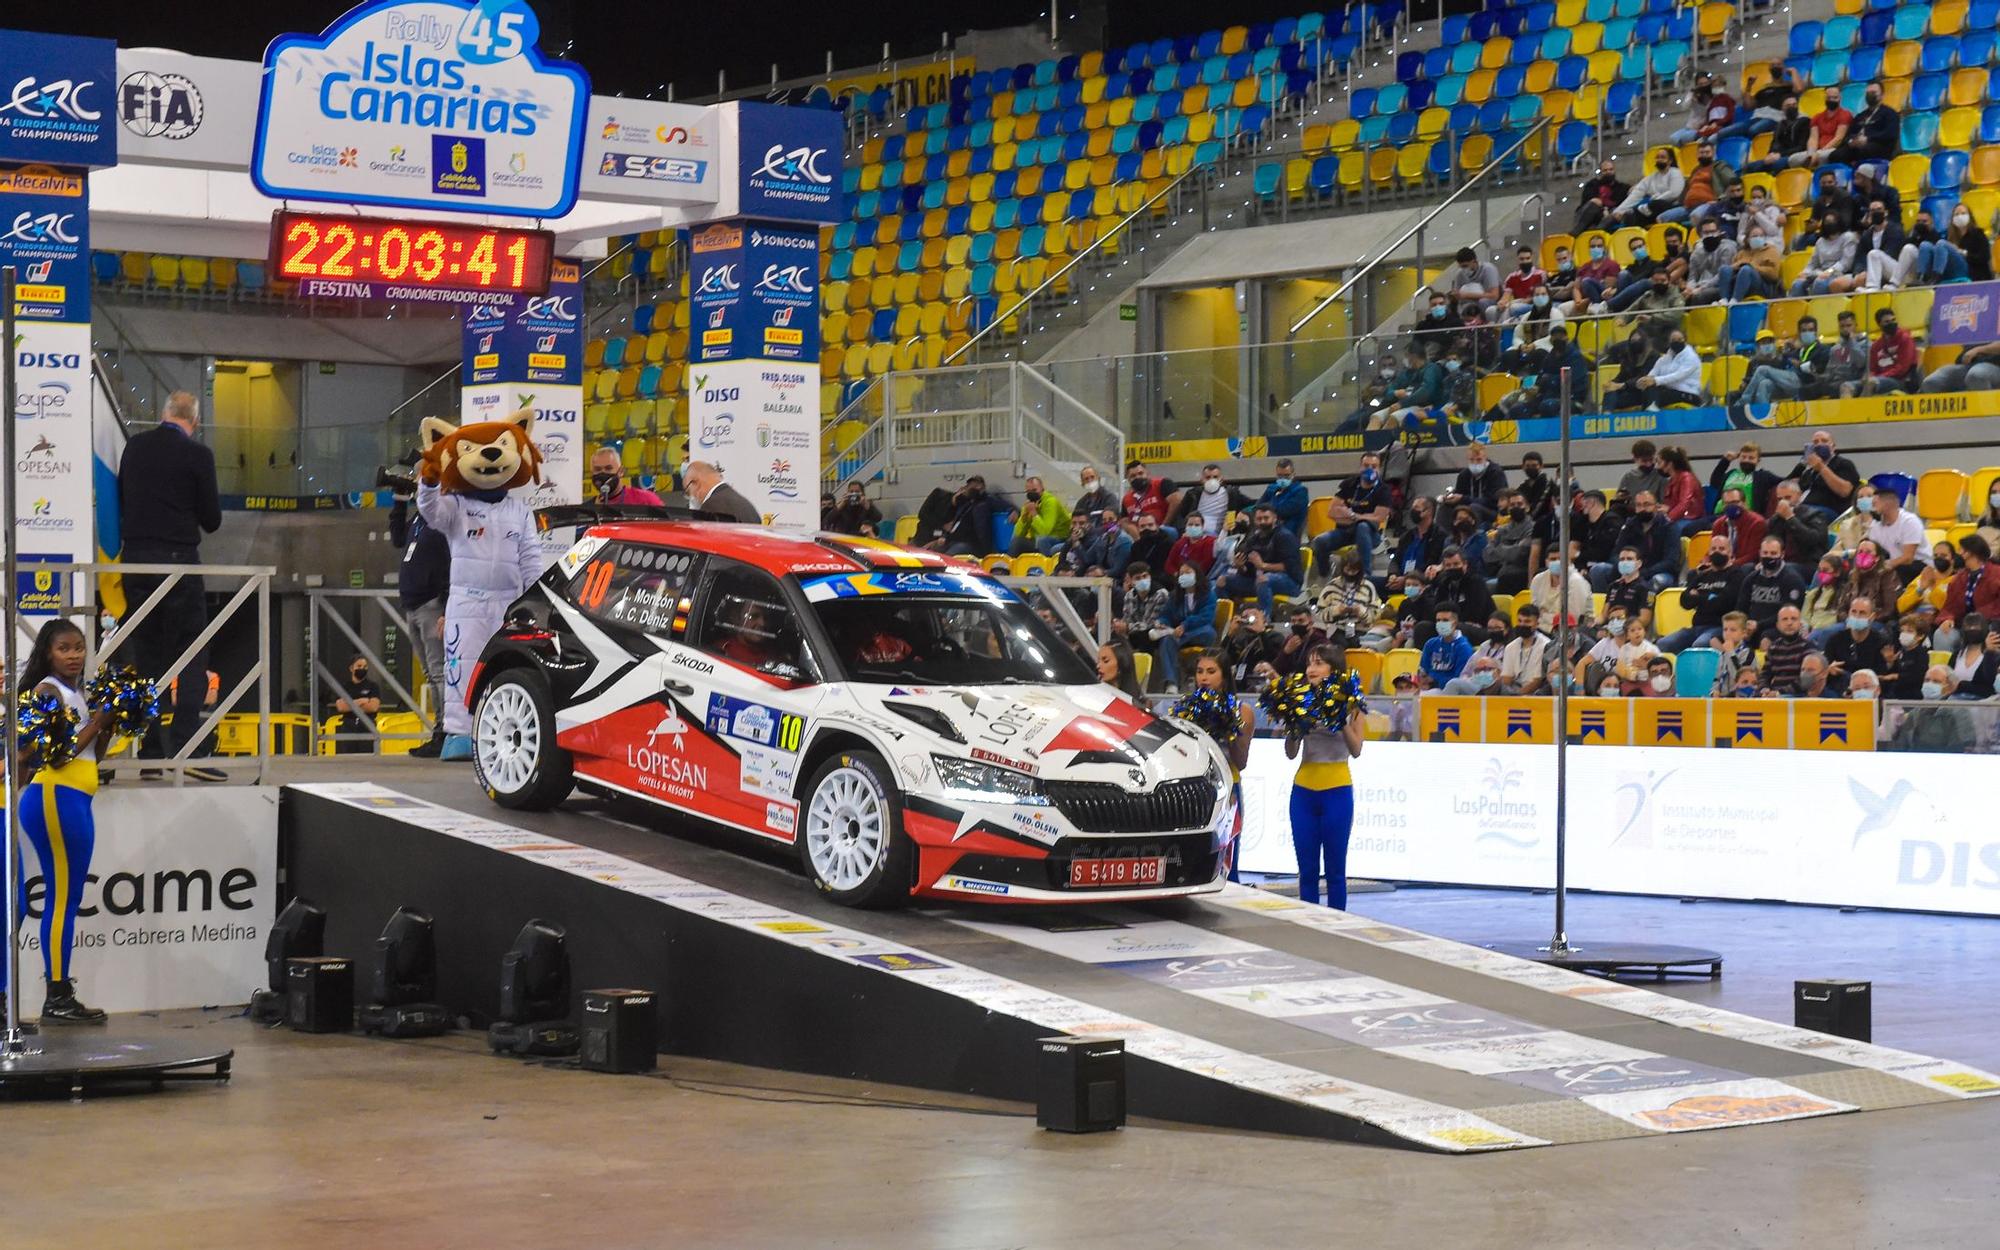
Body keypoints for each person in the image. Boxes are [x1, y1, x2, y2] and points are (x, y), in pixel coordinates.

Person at [116, 390, 226, 781]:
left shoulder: (135, 447)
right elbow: (211, 520)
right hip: (178, 564)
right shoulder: (199, 455)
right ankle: (187, 747)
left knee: (146, 655)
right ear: (194, 422)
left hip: (136, 561)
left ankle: (149, 749)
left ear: (163, 413)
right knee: (192, 653)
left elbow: (123, 501)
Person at [14, 620, 116, 1023]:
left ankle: (58, 993)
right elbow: (58, 755)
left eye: (79, 648)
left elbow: (94, 755)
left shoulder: (78, 694)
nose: (74, 655)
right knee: (61, 901)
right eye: (64, 649)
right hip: (55, 797)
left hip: (74, 798)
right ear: (47, 653)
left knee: (66, 898)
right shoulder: (46, 692)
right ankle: (56, 996)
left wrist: (111, 720)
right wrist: (98, 722)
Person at [1284, 643, 1367, 909]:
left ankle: (1338, 926)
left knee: (1335, 871)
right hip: (1304, 791)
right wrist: (1294, 725)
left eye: (1319, 663)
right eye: (1310, 663)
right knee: (1307, 871)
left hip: (1337, 791)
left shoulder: (1353, 703)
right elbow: (1290, 752)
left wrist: (1340, 718)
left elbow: (1356, 750)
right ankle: (1309, 926)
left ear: (1334, 669)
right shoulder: (1300, 702)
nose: (1311, 668)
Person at [388, 476, 452, 756]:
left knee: (439, 672)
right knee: (430, 672)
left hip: (431, 604)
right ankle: (440, 730)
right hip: (413, 604)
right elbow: (398, 539)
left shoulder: (443, 521)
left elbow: (453, 564)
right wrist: (399, 502)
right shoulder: (420, 518)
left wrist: (447, 608)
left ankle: (446, 733)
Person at [1312, 451, 1396, 577]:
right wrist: (1362, 517)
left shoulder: (1383, 490)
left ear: (1379, 469)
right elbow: (1332, 512)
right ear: (1360, 467)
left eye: (1374, 467)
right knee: (1320, 541)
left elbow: (1379, 517)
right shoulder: (1349, 484)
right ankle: (1326, 575)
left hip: (1370, 534)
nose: (1370, 469)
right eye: (1366, 465)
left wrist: (1352, 515)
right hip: (1345, 532)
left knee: (1363, 526)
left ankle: (1365, 576)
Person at [1660, 533, 1743, 652]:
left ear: (1730, 553)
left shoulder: (1736, 574)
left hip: (1719, 628)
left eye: (1722, 549)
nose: (1717, 552)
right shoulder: (1702, 575)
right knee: (1664, 644)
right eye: (1713, 549)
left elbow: (1724, 603)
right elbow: (1684, 601)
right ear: (1709, 552)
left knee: (1699, 645)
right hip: (1696, 627)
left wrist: (1698, 597)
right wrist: (1710, 597)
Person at [1221, 504, 1304, 617]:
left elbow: (1290, 566)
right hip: (1257, 581)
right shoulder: (1253, 539)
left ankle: (1263, 623)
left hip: (1289, 582)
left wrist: (1263, 566)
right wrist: (1240, 566)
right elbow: (1248, 570)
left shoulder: (1285, 536)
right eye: (1259, 519)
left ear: (1274, 518)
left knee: (1263, 579)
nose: (1263, 522)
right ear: (1254, 520)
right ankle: (1229, 621)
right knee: (1223, 580)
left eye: (1266, 518)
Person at [1151, 565, 1219, 692]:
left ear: (1197, 574)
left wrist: (1185, 626)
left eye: (1188, 572)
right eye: (1181, 573)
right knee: (1166, 641)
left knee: (1209, 632)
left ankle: (1178, 636)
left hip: (1199, 632)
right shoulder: (1175, 596)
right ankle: (1172, 683)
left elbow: (1206, 617)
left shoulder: (1208, 594)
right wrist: (1162, 622)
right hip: (1179, 634)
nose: (1184, 576)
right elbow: (1166, 615)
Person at [1888, 667, 1980, 752]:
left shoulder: (1959, 713)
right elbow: (1901, 745)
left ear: (1950, 687)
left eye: (1936, 682)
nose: (1929, 684)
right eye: (1927, 680)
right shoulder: (1915, 713)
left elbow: (1959, 748)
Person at [1608, 329, 1703, 410]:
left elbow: (1677, 376)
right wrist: (1644, 381)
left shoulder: (1692, 358)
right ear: (1669, 342)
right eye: (1673, 340)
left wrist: (1655, 380)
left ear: (1685, 340)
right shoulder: (1665, 358)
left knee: (1653, 390)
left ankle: (1652, 413)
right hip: (1668, 391)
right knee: (1645, 390)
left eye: (1679, 339)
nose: (1676, 342)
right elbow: (1652, 373)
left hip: (1688, 393)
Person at [1783, 430, 1861, 523]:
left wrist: (1821, 468)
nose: (1819, 445)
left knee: (1800, 513)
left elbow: (1844, 491)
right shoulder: (1808, 470)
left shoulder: (1843, 464)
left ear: (1833, 446)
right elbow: (1785, 483)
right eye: (1815, 442)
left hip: (1829, 511)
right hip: (1803, 508)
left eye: (1824, 441)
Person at [1738, 537, 1807, 636]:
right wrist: (1744, 625)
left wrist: (1759, 625)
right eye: (1765, 553)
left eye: (1773, 553)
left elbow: (1789, 614)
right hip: (1751, 627)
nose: (1768, 556)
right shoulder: (1751, 578)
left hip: (1778, 627)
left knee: (1766, 638)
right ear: (1760, 554)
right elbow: (1741, 608)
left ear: (1782, 554)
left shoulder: (1792, 579)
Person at [1848, 306, 1920, 397]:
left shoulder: (1905, 340)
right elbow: (1873, 368)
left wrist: (1878, 377)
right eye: (1887, 322)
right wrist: (1868, 375)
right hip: (1879, 379)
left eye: (1893, 320)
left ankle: (1862, 410)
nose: (1892, 323)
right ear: (1879, 324)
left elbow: (1902, 369)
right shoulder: (1876, 345)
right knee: (1847, 387)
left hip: (1899, 380)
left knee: (1870, 383)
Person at [1168, 463, 1253, 540]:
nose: (1212, 480)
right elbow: (1182, 514)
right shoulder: (1192, 494)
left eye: (1215, 477)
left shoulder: (1232, 494)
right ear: (1202, 480)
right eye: (1208, 477)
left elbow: (1252, 504)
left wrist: (1243, 514)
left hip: (1220, 537)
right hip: (1194, 534)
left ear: (1221, 479)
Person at [1659, 141, 1733, 227]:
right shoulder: (1695, 170)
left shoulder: (1719, 166)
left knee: (1695, 216)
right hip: (1687, 207)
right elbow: (1686, 189)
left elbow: (1732, 182)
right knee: (1661, 218)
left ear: (1713, 153)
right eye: (1701, 153)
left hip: (1708, 205)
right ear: (1697, 155)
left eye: (1707, 152)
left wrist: (1720, 200)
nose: (1704, 155)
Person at [1828, 81, 1900, 167]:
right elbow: (1849, 134)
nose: (1870, 95)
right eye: (1868, 93)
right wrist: (1851, 141)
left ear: (1882, 95)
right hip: (1857, 146)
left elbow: (1890, 134)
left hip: (1879, 146)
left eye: (1873, 93)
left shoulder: (1890, 113)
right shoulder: (1860, 116)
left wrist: (1868, 139)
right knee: (1835, 155)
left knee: (1863, 151)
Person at [1612, 149, 1687, 228]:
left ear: (1670, 160)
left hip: (1671, 207)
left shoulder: (1675, 172)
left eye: (1663, 157)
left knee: (1655, 204)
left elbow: (1674, 193)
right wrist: (1619, 211)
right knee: (1631, 214)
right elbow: (1636, 194)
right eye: (1657, 157)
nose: (1659, 160)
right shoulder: (1651, 177)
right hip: (1650, 210)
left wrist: (1654, 200)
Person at [1765, 480, 1830, 571]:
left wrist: (1790, 518)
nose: (1784, 502)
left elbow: (1813, 540)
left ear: (1799, 495)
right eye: (1780, 499)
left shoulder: (1815, 514)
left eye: (1788, 498)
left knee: (1784, 569)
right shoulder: (1777, 519)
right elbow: (1771, 541)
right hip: (1782, 561)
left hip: (1809, 563)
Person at [1791, 212, 1858, 296]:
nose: (1830, 224)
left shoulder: (1848, 237)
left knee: (1820, 283)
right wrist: (1805, 273)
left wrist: (1829, 272)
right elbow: (1813, 263)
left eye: (1832, 221)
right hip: (1820, 273)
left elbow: (1845, 263)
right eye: (1827, 222)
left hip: (1840, 274)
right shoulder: (1820, 241)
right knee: (1798, 284)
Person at [1942, 535, 2000, 631]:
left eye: (1961, 549)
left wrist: (1979, 615)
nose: (1959, 553)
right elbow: (1949, 607)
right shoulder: (1958, 579)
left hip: (1990, 622)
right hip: (1963, 624)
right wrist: (1948, 618)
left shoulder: (1997, 573)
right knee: (1942, 634)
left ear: (1972, 552)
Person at [1742, 95, 1812, 173]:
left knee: (1776, 164)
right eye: (1788, 105)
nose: (1792, 107)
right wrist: (1771, 155)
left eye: (1794, 105)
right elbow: (1775, 142)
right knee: (1748, 167)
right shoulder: (1780, 124)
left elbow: (1801, 146)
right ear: (1783, 109)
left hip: (1795, 155)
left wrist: (1780, 155)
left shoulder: (1804, 121)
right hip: (1778, 155)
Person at [1866, 487, 1926, 577]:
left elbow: (1908, 558)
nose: (1872, 508)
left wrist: (1886, 566)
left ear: (1887, 504)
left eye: (1875, 504)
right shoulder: (1875, 525)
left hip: (1916, 566)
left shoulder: (1910, 521)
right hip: (1893, 565)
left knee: (1899, 570)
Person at [1441, 442, 1506, 524]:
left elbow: (1493, 501)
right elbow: (1460, 496)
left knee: (1474, 508)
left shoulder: (1496, 473)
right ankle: (1446, 535)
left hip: (1492, 512)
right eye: (1471, 460)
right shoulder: (1464, 475)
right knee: (1445, 507)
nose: (1475, 463)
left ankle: (1475, 535)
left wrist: (1463, 498)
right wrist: (1450, 499)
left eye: (1479, 460)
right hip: (1467, 509)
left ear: (1485, 458)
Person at [1007, 476, 1072, 556]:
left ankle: (1048, 566)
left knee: (1042, 541)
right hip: (1038, 540)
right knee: (1016, 542)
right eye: (1028, 492)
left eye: (1034, 490)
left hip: (1059, 538)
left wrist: (1034, 514)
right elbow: (1017, 534)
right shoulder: (1029, 504)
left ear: (1042, 489)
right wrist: (1024, 517)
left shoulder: (1050, 502)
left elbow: (1045, 532)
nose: (1032, 494)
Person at [1221, 606, 1283, 691]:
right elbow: (1223, 659)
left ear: (1262, 616)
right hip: (1240, 685)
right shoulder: (1241, 639)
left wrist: (1261, 632)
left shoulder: (1274, 636)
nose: (1250, 620)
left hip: (1263, 684)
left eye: (1254, 615)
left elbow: (1272, 658)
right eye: (1246, 617)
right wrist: (1230, 635)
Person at [1498, 604, 1555, 695]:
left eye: (1527, 621)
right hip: (1512, 692)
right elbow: (1506, 679)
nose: (1522, 625)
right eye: (1519, 621)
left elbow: (1538, 681)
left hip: (1536, 693)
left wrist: (1518, 697)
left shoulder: (1546, 645)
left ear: (1537, 624)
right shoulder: (1511, 647)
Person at [1485, 491, 1535, 593]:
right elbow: (1487, 555)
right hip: (1501, 571)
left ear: (1527, 507)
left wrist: (1498, 547)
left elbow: (1519, 554)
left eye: (1519, 504)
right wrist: (1512, 548)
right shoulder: (1502, 529)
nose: (1516, 507)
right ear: (1508, 509)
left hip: (1522, 572)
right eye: (1512, 505)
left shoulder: (1534, 528)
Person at [1712, 442, 1781, 516]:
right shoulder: (1731, 473)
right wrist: (1725, 460)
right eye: (1743, 457)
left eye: (1751, 458)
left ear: (1758, 461)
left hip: (1746, 517)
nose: (1746, 460)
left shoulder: (1763, 476)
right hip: (1720, 515)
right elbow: (1714, 481)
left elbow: (1786, 481)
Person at [1680, 216, 1737, 303]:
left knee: (1699, 296)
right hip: (1700, 286)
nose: (1710, 235)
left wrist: (1701, 288)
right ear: (1700, 234)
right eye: (1706, 232)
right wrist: (1689, 288)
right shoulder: (1696, 252)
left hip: (1721, 286)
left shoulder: (1728, 248)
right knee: (1680, 297)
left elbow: (1722, 275)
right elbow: (1692, 276)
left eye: (1713, 231)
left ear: (1719, 232)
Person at [1758, 604, 1814, 692]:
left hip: (1798, 698)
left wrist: (1779, 693)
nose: (1789, 623)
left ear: (1800, 624)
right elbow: (1765, 674)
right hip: (1774, 698)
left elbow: (1806, 680)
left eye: (1793, 619)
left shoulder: (1808, 647)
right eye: (1785, 619)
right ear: (1778, 625)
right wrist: (1764, 689)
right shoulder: (1773, 647)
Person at [683, 460, 761, 523]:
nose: (691, 496)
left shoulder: (710, 508)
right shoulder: (744, 503)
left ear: (695, 483)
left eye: (688, 491)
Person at [590, 446, 665, 509]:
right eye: (597, 469)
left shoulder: (646, 500)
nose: (603, 473)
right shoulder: (588, 508)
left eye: (608, 468)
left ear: (621, 471)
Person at [1269, 603, 1329, 679]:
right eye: (1293, 621)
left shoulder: (1321, 643)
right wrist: (1285, 652)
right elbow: (1276, 669)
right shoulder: (1289, 640)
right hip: (1287, 683)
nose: (1296, 624)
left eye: (1301, 621)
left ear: (1310, 624)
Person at [1418, 608, 1473, 688]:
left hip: (1448, 691)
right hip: (1427, 688)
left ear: (1455, 623)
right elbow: (1423, 670)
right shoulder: (1430, 643)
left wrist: (1434, 681)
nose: (1441, 623)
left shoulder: (1464, 648)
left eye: (1445, 620)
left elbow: (1459, 680)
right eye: (1438, 620)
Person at [1252, 458, 1309, 536]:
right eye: (1280, 476)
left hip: (1287, 535)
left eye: (1286, 476)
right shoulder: (1271, 489)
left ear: (1293, 475)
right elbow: (1257, 508)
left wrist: (1267, 508)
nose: (1283, 479)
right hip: (1265, 533)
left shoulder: (1300, 492)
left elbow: (1282, 511)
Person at [1920, 340, 2000, 394]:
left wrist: (1979, 350)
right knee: (1931, 382)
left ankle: (1987, 415)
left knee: (1976, 376)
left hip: (1995, 365)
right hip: (1967, 365)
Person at [1948, 614, 1998, 699]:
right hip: (1955, 704)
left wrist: (1961, 685)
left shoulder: (1993, 656)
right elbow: (1948, 681)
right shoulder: (1957, 655)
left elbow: (1989, 683)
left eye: (1976, 626)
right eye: (1968, 626)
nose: (1972, 629)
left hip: (1982, 705)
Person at [1572, 158, 1629, 233]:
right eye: (1605, 170)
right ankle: (1575, 233)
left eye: (1611, 169)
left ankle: (1597, 234)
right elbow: (1588, 201)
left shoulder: (1622, 187)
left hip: (1609, 216)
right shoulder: (1592, 184)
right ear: (1601, 172)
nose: (1608, 172)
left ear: (1614, 170)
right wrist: (1603, 209)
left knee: (1616, 211)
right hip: (1588, 214)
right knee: (1595, 203)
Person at [1658, 446, 1704, 531]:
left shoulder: (1687, 478)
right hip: (1678, 518)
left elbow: (1684, 504)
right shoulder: (1672, 480)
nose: (1658, 466)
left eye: (1660, 462)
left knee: (1668, 530)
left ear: (1670, 464)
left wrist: (1668, 518)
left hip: (1690, 518)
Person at [1802, 94, 1854, 168]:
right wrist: (1811, 153)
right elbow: (1813, 138)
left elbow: (1839, 138)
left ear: (1840, 99)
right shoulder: (1816, 117)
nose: (1831, 100)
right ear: (1825, 99)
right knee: (1794, 159)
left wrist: (1821, 151)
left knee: (1822, 156)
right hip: (1817, 150)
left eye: (1835, 97)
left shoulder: (1845, 114)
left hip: (1834, 148)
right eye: (1829, 97)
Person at [1121, 459, 1174, 530]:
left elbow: (1177, 500)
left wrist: (1164, 526)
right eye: (1133, 476)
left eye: (1140, 473)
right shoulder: (1126, 499)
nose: (1137, 477)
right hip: (1139, 535)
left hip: (1163, 532)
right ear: (1128, 479)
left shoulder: (1161, 484)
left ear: (1147, 473)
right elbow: (1124, 520)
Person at [1163, 513, 1218, 581]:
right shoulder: (1180, 542)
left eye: (1197, 525)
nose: (1193, 527)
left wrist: (1189, 575)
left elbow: (1206, 564)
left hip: (1198, 579)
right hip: (1178, 578)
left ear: (1202, 526)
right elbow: (1169, 563)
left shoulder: (1210, 541)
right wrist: (1177, 574)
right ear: (1185, 527)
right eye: (1190, 525)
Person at [1947, 205, 1995, 282]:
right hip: (1957, 274)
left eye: (1963, 213)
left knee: (1942, 244)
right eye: (1956, 214)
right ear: (1952, 219)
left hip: (1978, 275)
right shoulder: (1950, 237)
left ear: (1970, 216)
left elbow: (1985, 257)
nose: (1960, 216)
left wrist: (1962, 252)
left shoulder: (1978, 234)